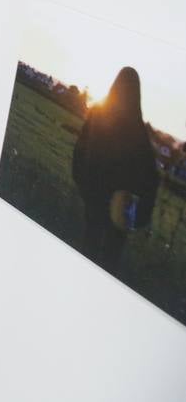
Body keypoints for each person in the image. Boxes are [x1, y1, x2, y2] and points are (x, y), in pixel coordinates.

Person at [72, 67, 160, 275]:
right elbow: (150, 180)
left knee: (89, 252)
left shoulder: (97, 116)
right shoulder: (139, 132)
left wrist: (87, 190)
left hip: (94, 203)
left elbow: (80, 155)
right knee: (108, 265)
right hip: (120, 214)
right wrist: (138, 216)